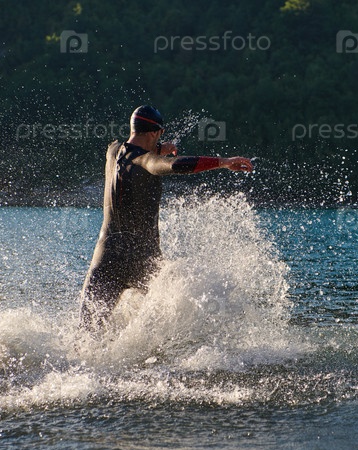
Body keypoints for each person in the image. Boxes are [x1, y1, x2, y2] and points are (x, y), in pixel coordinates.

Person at [79, 105, 253, 332]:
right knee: (169, 330)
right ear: (154, 132)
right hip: (142, 260)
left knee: (85, 334)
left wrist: (160, 147)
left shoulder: (112, 151)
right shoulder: (146, 161)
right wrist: (223, 162)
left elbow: (130, 152)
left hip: (106, 257)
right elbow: (176, 164)